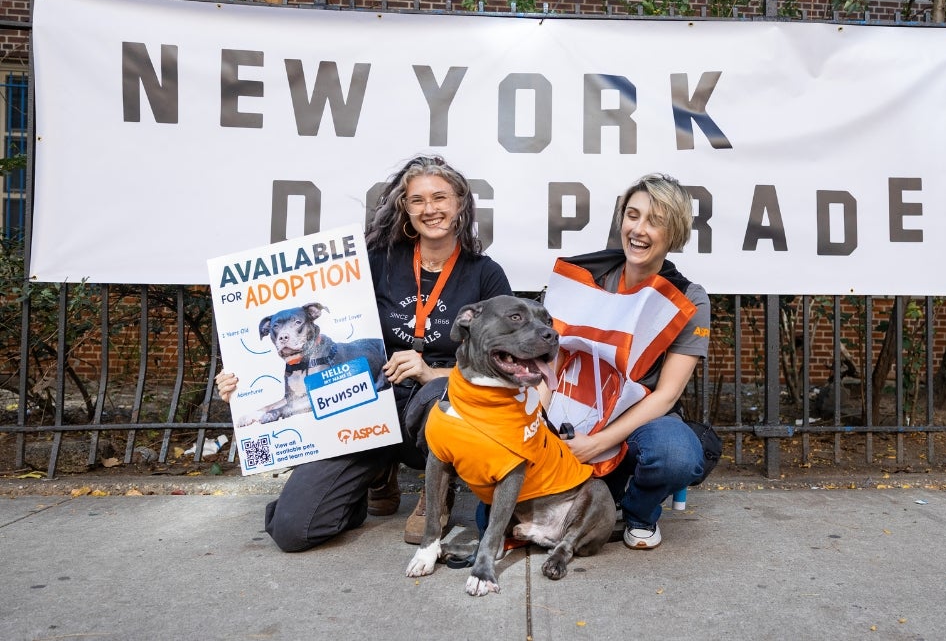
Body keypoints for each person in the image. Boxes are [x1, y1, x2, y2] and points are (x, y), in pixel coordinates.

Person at [215, 155, 512, 552]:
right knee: (293, 529)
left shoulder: (485, 274)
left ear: (460, 203)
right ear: (405, 208)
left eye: (439, 197)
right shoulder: (375, 263)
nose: (430, 209)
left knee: (433, 396)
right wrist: (242, 380)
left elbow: (501, 368)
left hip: (439, 407)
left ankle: (435, 487)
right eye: (418, 200)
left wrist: (430, 374)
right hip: (368, 407)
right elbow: (324, 337)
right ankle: (371, 477)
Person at [541, 172, 710, 551]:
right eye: (632, 215)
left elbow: (665, 396)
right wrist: (537, 427)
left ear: (675, 232)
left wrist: (596, 443)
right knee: (490, 519)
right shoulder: (581, 276)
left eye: (655, 221)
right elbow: (545, 364)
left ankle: (638, 512)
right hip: (566, 409)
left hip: (637, 421)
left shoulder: (689, 300)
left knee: (677, 456)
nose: (638, 229)